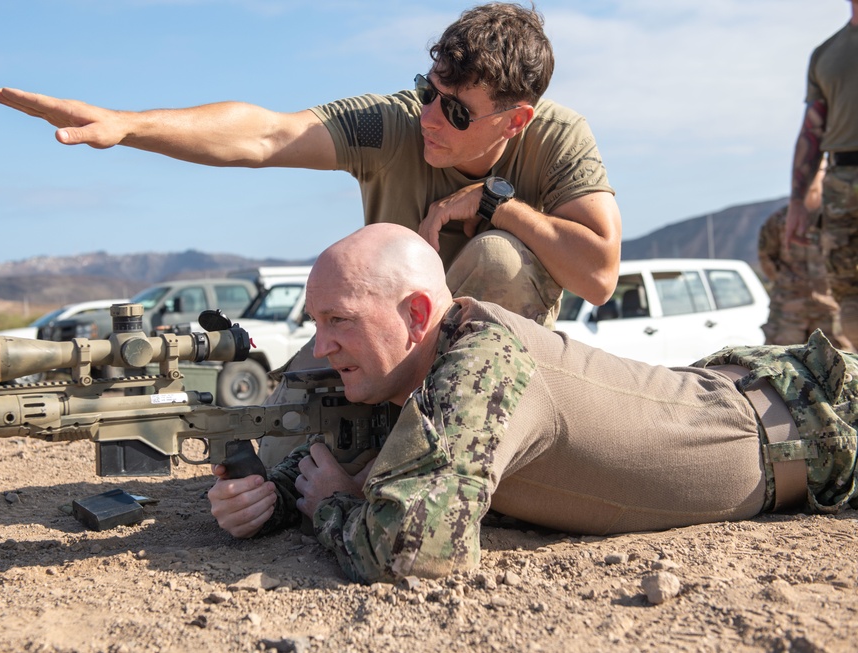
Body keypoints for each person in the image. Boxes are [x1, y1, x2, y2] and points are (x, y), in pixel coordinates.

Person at [208, 223, 858, 585]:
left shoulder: (479, 364)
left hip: (820, 423)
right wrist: (265, 502)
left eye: (338, 320)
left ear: (415, 314)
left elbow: (411, 547)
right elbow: (362, 463)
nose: (320, 344)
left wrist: (331, 507)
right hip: (759, 398)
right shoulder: (414, 369)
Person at [0, 2, 621, 328]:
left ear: (515, 121)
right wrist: (129, 126)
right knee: (274, 439)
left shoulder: (559, 139)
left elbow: (598, 276)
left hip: (492, 366)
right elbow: (266, 134)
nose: (430, 116)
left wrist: (496, 208)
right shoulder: (394, 123)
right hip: (388, 341)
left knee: (499, 258)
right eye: (430, 92)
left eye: (457, 112)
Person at [785, 0, 858, 346]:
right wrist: (798, 201)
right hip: (841, 184)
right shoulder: (826, 54)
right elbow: (812, 132)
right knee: (849, 300)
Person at [758, 162, 852, 350]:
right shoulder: (779, 220)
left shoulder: (839, 219)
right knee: (779, 369)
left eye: (818, 169)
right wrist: (790, 283)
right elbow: (767, 256)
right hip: (788, 316)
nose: (811, 175)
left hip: (832, 314)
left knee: (840, 373)